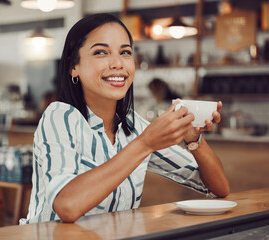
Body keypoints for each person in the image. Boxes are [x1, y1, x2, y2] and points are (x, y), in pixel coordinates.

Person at [20, 13, 229, 224]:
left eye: (125, 52)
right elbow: (67, 205)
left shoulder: (134, 126)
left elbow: (219, 188)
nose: (118, 63)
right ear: (73, 67)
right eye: (101, 52)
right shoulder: (60, 117)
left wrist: (194, 140)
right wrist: (145, 144)